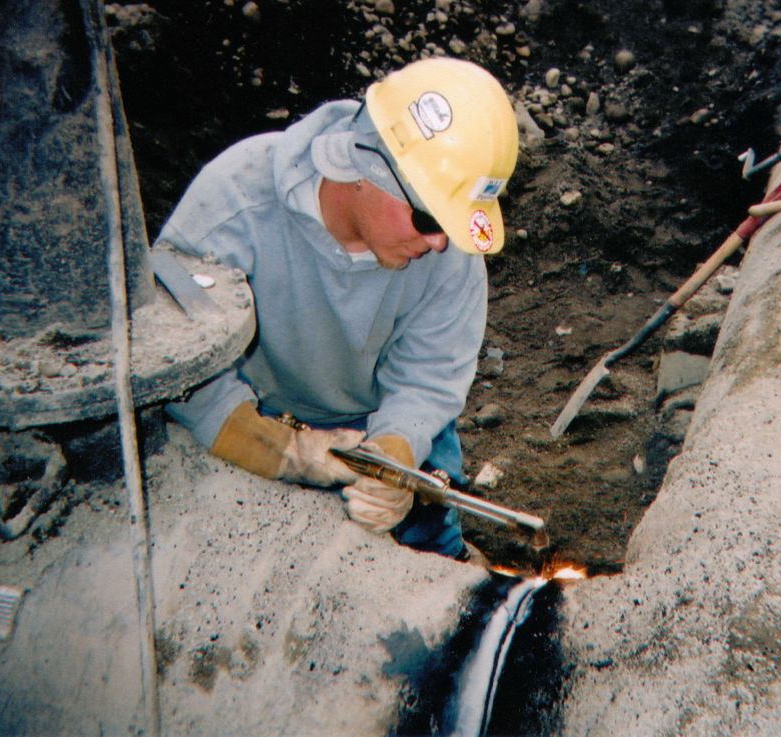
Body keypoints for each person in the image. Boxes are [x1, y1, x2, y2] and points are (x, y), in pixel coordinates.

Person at [156, 58, 519, 562]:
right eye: (430, 217)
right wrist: (285, 450)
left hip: (380, 414)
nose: (440, 243)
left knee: (430, 549)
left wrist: (394, 456)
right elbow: (179, 356)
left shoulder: (451, 254)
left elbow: (428, 378)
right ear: (364, 170)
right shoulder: (236, 201)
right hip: (255, 406)